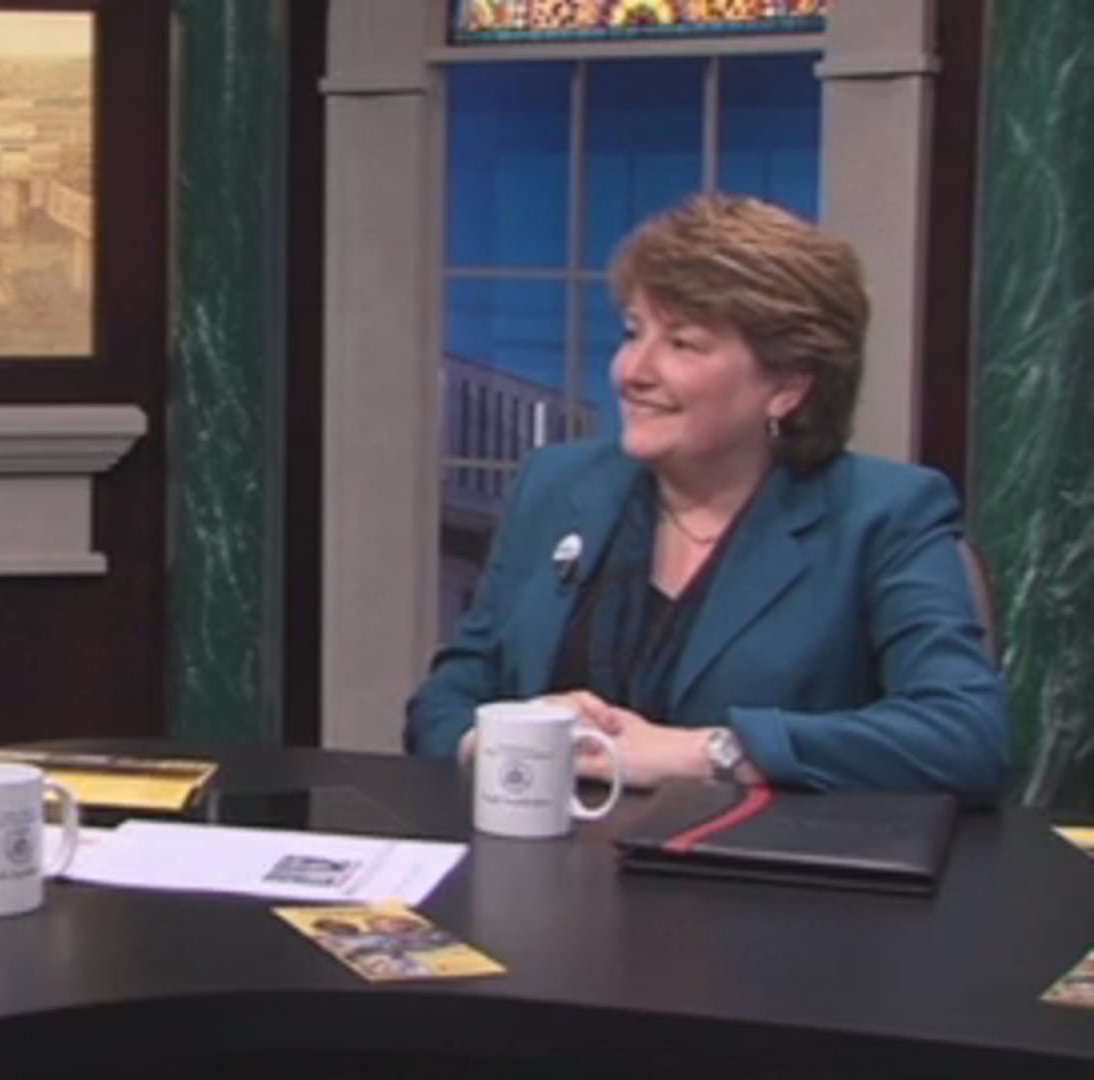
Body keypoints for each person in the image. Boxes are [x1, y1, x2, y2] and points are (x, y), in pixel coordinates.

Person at [406, 194, 1006, 802]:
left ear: (787, 386)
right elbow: (448, 697)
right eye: (633, 333)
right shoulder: (556, 485)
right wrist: (499, 739)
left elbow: (964, 737)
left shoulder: (883, 514)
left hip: (759, 861)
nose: (631, 371)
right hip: (543, 854)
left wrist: (707, 753)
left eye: (682, 344)